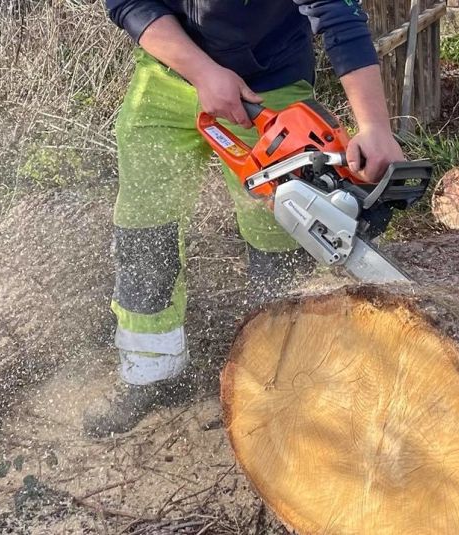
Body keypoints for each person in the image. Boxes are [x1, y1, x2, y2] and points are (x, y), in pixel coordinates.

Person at [83, 0, 406, 436]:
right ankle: (150, 369)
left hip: (270, 83)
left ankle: (281, 371)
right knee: (145, 222)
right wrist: (201, 71)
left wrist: (374, 127)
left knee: (281, 226)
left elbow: (338, 13)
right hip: (165, 73)